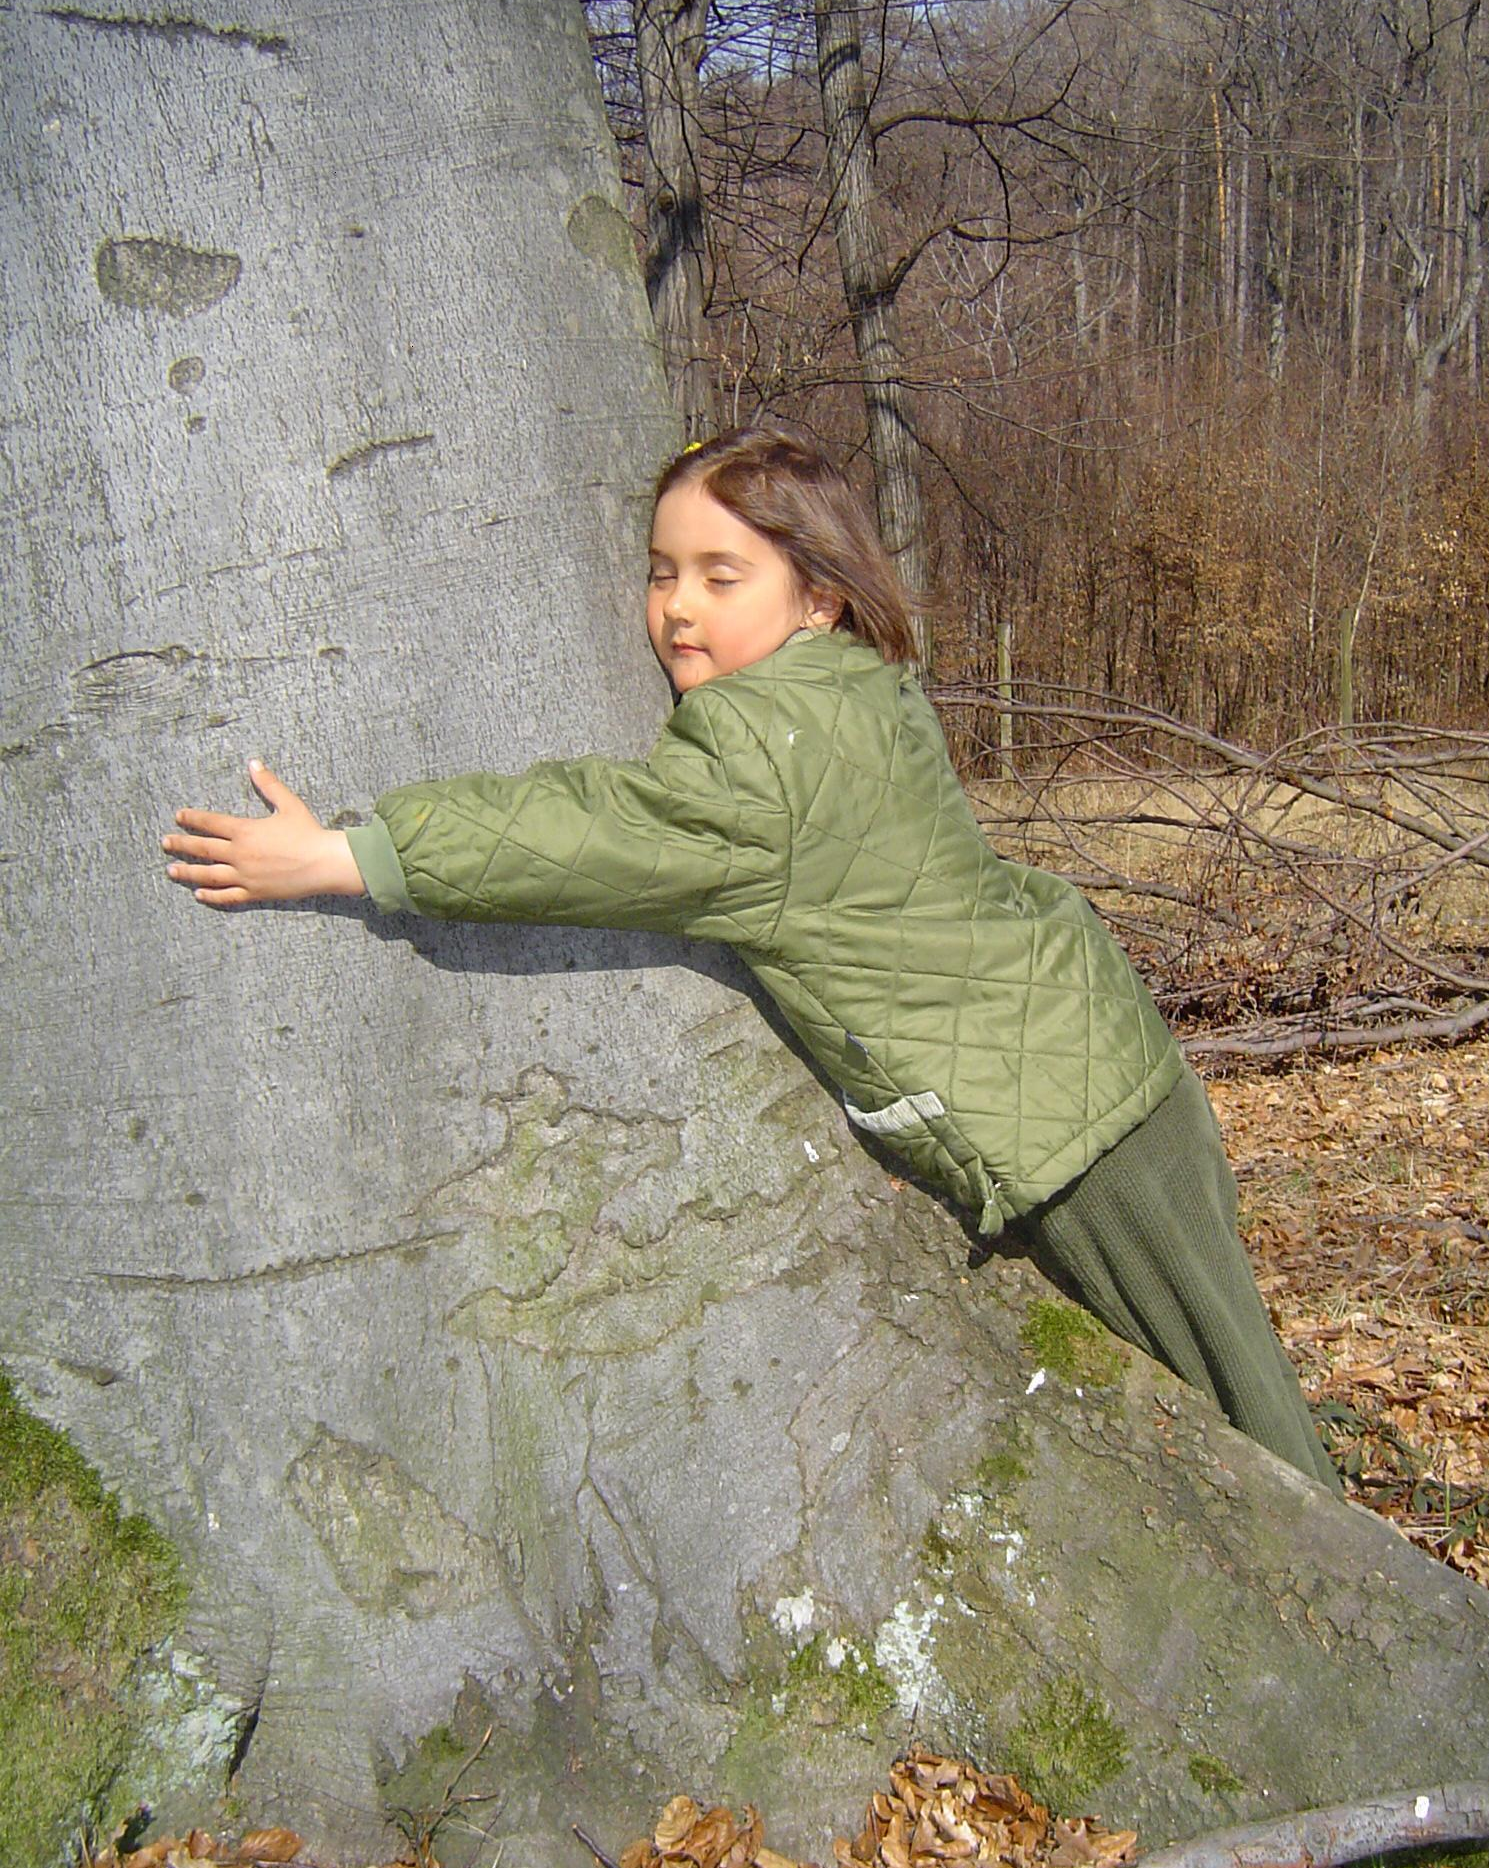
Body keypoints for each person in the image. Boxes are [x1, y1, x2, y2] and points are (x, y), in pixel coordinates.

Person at [164, 426, 1340, 1490]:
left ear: (819, 597)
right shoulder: (850, 696)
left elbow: (589, 833)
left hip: (1075, 1135)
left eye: (723, 577)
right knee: (1232, 1397)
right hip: (1101, 1079)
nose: (679, 606)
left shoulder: (764, 754)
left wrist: (348, 854)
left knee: (1249, 1445)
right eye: (662, 570)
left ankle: (1358, 1674)